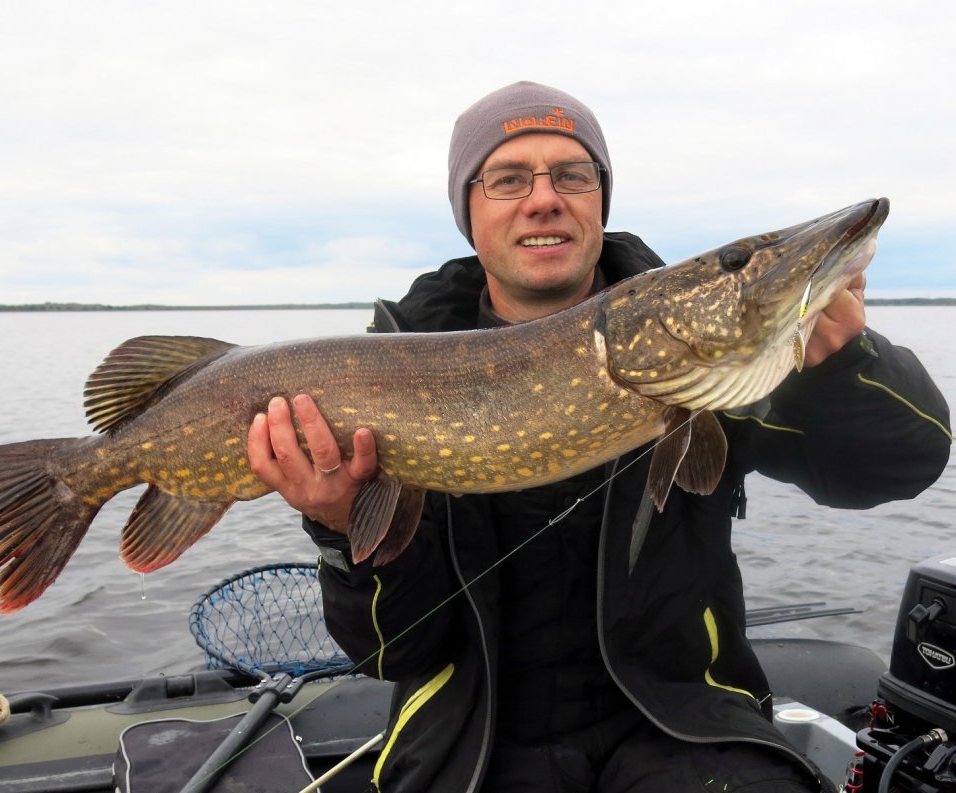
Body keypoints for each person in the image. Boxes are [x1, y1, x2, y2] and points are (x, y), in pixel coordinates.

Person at [246, 82, 952, 792]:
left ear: (598, 203)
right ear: (469, 211)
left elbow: (904, 462)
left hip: (683, 721)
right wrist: (340, 528)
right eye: (508, 178)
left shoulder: (722, 367)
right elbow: (394, 647)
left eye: (573, 175)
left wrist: (844, 365)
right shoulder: (392, 368)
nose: (544, 197)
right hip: (474, 733)